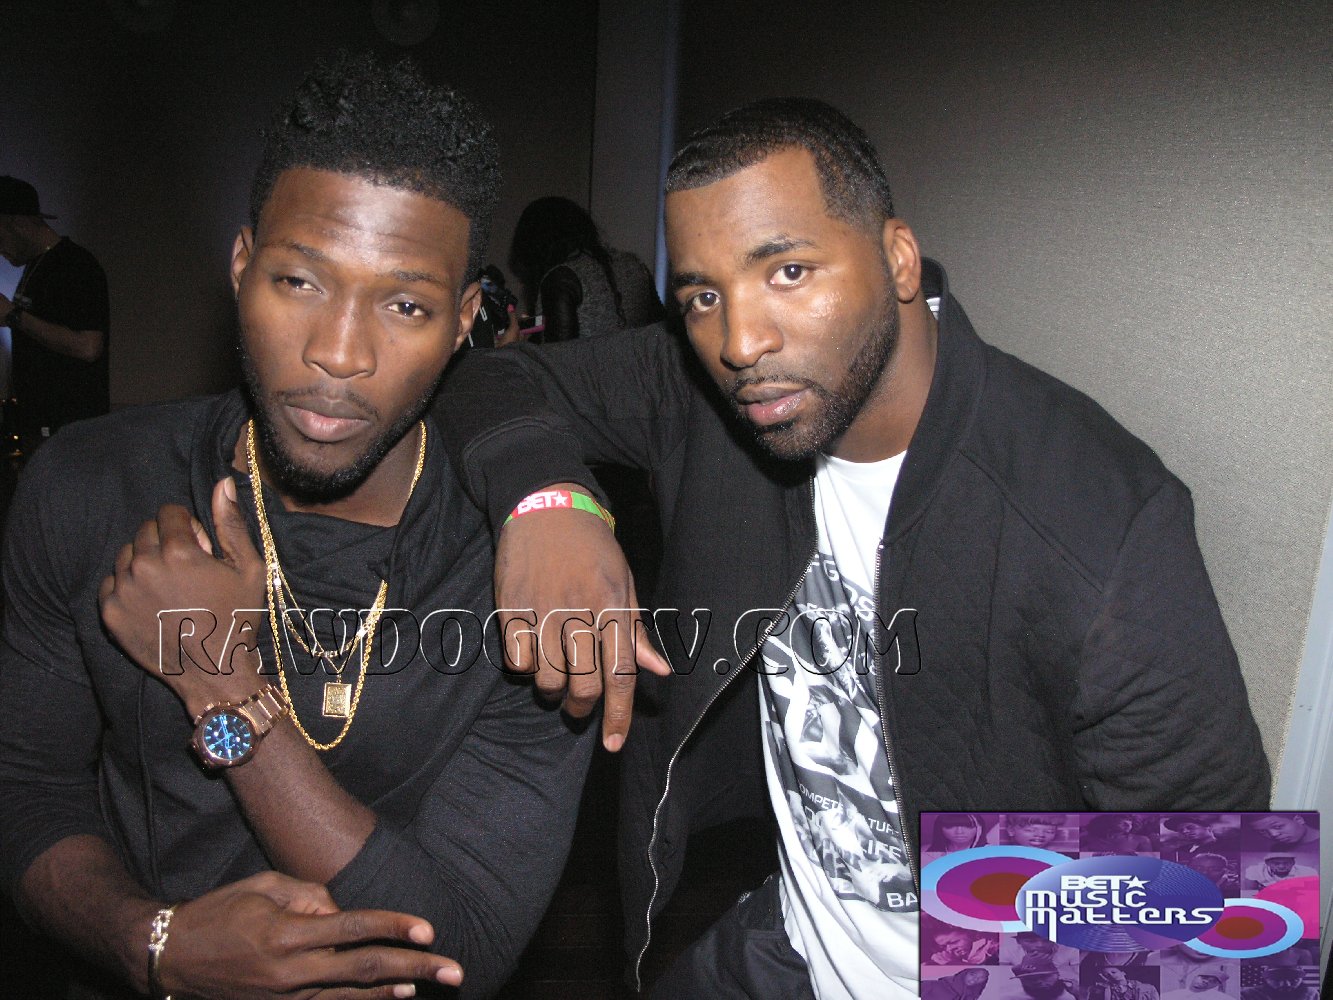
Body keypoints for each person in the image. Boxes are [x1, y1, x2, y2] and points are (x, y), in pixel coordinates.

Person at [436, 98, 1270, 997]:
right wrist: (549, 503)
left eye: (789, 271)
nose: (740, 342)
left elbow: (1215, 913)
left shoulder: (1098, 522)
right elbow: (488, 378)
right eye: (703, 296)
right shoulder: (713, 395)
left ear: (897, 258)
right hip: (789, 942)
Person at [0, 53, 593, 1000]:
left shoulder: (528, 574)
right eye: (300, 281)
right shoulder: (88, 484)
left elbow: (463, 947)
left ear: (463, 321)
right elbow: (26, 786)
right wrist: (151, 945)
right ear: (242, 267)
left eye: (405, 303)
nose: (337, 353)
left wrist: (222, 683)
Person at [0, 175, 110, 454]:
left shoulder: (75, 265)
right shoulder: (37, 266)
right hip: (42, 427)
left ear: (17, 223)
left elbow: (89, 346)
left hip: (69, 432)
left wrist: (14, 316)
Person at [505, 195, 663, 344]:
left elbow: (559, 358)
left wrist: (516, 349)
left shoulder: (560, 279)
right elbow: (660, 329)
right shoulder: (634, 264)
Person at [1082, 814, 1154, 853]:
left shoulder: (1141, 840)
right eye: (1124, 823)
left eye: (1131, 824)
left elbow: (1149, 863)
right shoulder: (1089, 838)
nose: (1129, 826)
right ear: (1110, 822)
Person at [926, 813, 993, 853]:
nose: (959, 832)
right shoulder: (928, 855)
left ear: (980, 828)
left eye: (968, 826)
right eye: (950, 826)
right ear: (939, 828)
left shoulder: (990, 853)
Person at [1242, 854, 1316, 890]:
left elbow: (1313, 896)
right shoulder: (1255, 871)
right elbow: (1250, 893)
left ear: (1293, 863)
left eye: (1286, 863)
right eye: (1276, 863)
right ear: (1267, 863)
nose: (1281, 866)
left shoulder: (1308, 872)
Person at [1248, 814, 1318, 849]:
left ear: (1299, 820)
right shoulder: (1277, 849)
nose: (1273, 834)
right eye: (1262, 831)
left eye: (1278, 826)